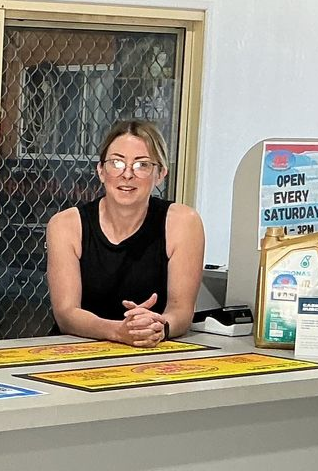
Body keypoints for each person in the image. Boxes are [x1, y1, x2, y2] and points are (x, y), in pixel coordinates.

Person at [46, 119, 204, 345]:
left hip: (149, 349)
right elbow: (66, 314)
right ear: (101, 171)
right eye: (117, 163)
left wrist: (158, 326)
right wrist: (118, 331)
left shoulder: (183, 223)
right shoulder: (65, 224)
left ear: (160, 174)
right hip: (74, 350)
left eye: (142, 165)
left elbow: (180, 311)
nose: (127, 174)